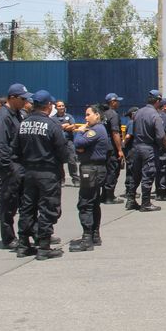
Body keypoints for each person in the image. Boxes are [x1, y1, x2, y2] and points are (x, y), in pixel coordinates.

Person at [12, 89, 68, 260]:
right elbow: (63, 153)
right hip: (48, 172)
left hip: (28, 172)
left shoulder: (23, 124)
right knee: (47, 208)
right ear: (48, 105)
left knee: (27, 207)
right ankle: (44, 246)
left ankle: (23, 245)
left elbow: (15, 150)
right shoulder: (52, 125)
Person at [0, 83, 30, 249]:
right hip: (11, 166)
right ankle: (8, 238)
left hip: (20, 165)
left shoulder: (18, 114)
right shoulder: (2, 116)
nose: (25, 102)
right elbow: (0, 145)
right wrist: (9, 168)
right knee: (9, 204)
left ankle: (31, 233)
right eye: (22, 99)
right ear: (12, 98)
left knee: (26, 202)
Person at [69, 105, 111, 252]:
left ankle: (87, 238)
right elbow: (80, 148)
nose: (85, 118)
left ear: (97, 115)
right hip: (94, 168)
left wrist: (80, 132)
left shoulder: (96, 130)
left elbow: (79, 144)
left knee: (85, 203)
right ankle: (94, 235)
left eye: (88, 114)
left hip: (91, 169)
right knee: (93, 202)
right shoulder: (97, 129)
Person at [127, 90, 166, 212]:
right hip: (149, 148)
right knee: (148, 175)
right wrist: (163, 145)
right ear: (158, 101)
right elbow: (160, 135)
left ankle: (130, 200)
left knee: (136, 175)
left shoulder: (138, 112)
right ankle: (145, 203)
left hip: (136, 147)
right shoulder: (155, 115)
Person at [100, 93, 125, 204]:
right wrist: (119, 150)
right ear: (112, 102)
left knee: (106, 171)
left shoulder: (102, 114)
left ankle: (104, 195)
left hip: (103, 146)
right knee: (113, 171)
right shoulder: (113, 114)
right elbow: (115, 133)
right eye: (117, 101)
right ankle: (109, 196)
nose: (118, 103)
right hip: (111, 147)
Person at [52, 100, 79, 186]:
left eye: (62, 105)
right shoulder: (53, 118)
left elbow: (73, 126)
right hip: (58, 143)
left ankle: (75, 179)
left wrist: (63, 127)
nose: (61, 107)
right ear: (56, 107)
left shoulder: (69, 116)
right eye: (59, 106)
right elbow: (53, 128)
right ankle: (61, 179)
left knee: (72, 160)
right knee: (59, 162)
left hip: (69, 142)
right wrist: (64, 126)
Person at [121, 106, 138, 201]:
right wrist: (123, 144)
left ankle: (130, 190)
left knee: (131, 169)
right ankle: (129, 190)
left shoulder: (131, 122)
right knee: (131, 170)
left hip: (131, 149)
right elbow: (128, 136)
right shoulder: (132, 123)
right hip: (131, 150)